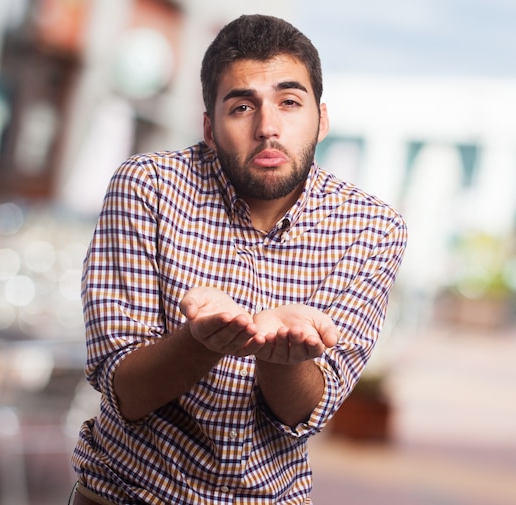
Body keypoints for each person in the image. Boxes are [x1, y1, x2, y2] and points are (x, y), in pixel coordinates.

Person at [71, 13, 407, 505]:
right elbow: (125, 393)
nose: (268, 128)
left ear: (323, 118)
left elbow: (307, 413)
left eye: (289, 102)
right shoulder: (148, 188)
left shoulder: (371, 229)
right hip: (125, 495)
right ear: (210, 127)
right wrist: (201, 342)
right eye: (241, 107)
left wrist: (278, 353)